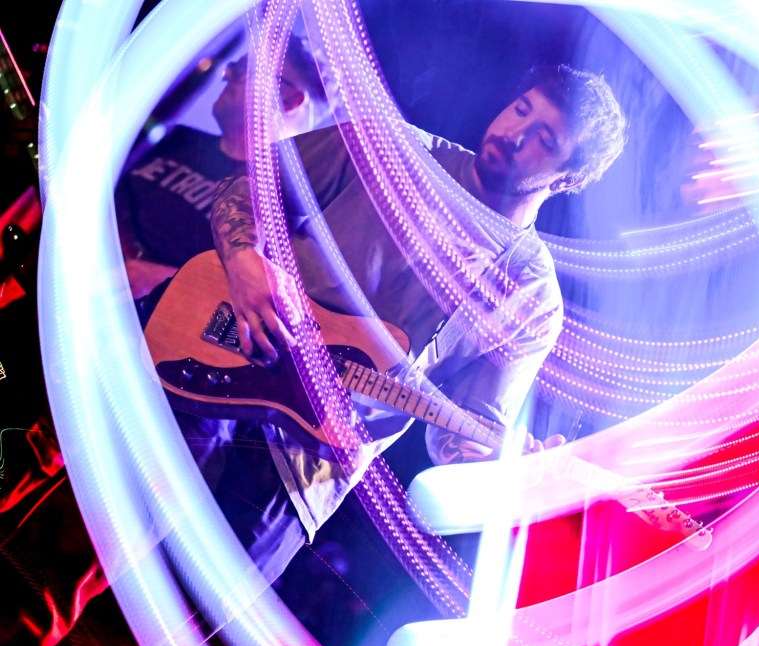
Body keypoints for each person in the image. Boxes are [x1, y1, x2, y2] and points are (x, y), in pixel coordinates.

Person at [206, 63, 627, 582]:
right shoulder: (389, 147)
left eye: (544, 138)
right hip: (211, 358)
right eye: (521, 109)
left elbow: (459, 435)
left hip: (298, 471)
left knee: (183, 623)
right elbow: (243, 190)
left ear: (568, 178)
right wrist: (244, 261)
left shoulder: (532, 296)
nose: (515, 133)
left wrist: (501, 462)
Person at [116, 33, 327, 299]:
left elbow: (264, 293)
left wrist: (163, 280)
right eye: (233, 67)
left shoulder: (287, 200)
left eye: (246, 71)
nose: (227, 76)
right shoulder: (175, 137)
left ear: (289, 100)